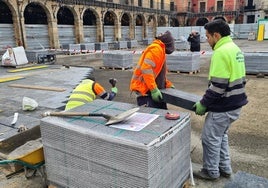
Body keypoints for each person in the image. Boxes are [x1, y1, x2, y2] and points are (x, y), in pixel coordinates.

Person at [193, 19, 248, 180]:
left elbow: (218, 86)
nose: (207, 40)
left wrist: (203, 104)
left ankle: (211, 171)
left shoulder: (221, 51)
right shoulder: (234, 48)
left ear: (216, 35)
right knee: (220, 137)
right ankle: (225, 168)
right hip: (235, 103)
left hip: (224, 105)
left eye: (208, 37)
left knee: (210, 139)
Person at [130, 30, 175, 109]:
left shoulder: (160, 50)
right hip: (146, 92)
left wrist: (166, 84)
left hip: (153, 90)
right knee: (149, 118)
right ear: (168, 44)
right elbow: (146, 69)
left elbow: (159, 72)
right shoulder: (156, 49)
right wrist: (153, 89)